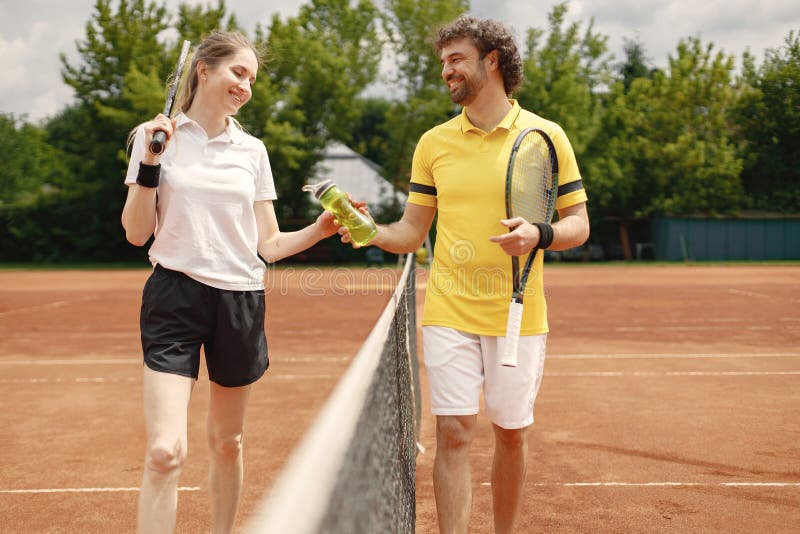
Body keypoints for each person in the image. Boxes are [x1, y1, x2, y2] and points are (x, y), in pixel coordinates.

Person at [338, 15, 590, 534]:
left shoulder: (546, 137)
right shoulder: (433, 143)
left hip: (518, 313)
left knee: (511, 433)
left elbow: (579, 225)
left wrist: (539, 234)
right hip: (449, 309)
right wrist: (369, 231)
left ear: (491, 60)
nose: (447, 71)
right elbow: (411, 232)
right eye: (444, 62)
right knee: (452, 431)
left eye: (456, 60)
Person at [121, 31, 338, 534]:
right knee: (163, 452)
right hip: (173, 295)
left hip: (240, 298)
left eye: (252, 79)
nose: (246, 85)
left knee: (227, 442)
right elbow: (136, 234)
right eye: (238, 72)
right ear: (203, 70)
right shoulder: (153, 138)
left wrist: (320, 229)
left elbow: (270, 245)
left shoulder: (253, 150)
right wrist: (152, 161)